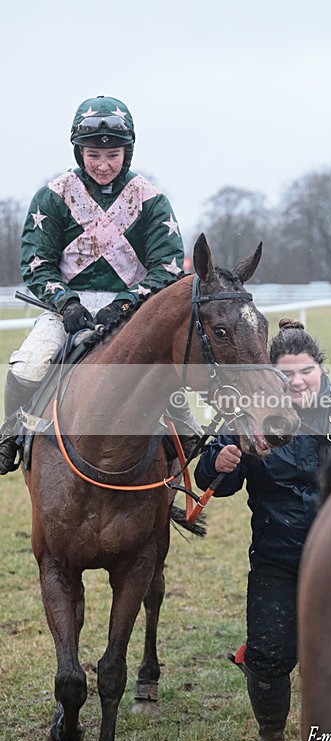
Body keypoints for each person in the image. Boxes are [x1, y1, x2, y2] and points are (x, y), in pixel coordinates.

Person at [194, 318, 331, 741]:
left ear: (321, 368)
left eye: (306, 371)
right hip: (277, 558)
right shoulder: (250, 420)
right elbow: (213, 479)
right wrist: (221, 460)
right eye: (286, 374)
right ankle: (271, 737)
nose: (297, 381)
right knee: (268, 656)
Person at [0, 94, 200, 475]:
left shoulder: (151, 200)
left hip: (134, 311)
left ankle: (185, 437)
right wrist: (67, 304)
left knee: (166, 368)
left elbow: (168, 266)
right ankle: (10, 433)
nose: (104, 165)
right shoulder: (53, 196)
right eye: (93, 155)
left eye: (113, 155)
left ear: (128, 151)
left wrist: (126, 304)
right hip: (66, 311)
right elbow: (37, 263)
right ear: (79, 152)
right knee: (27, 367)